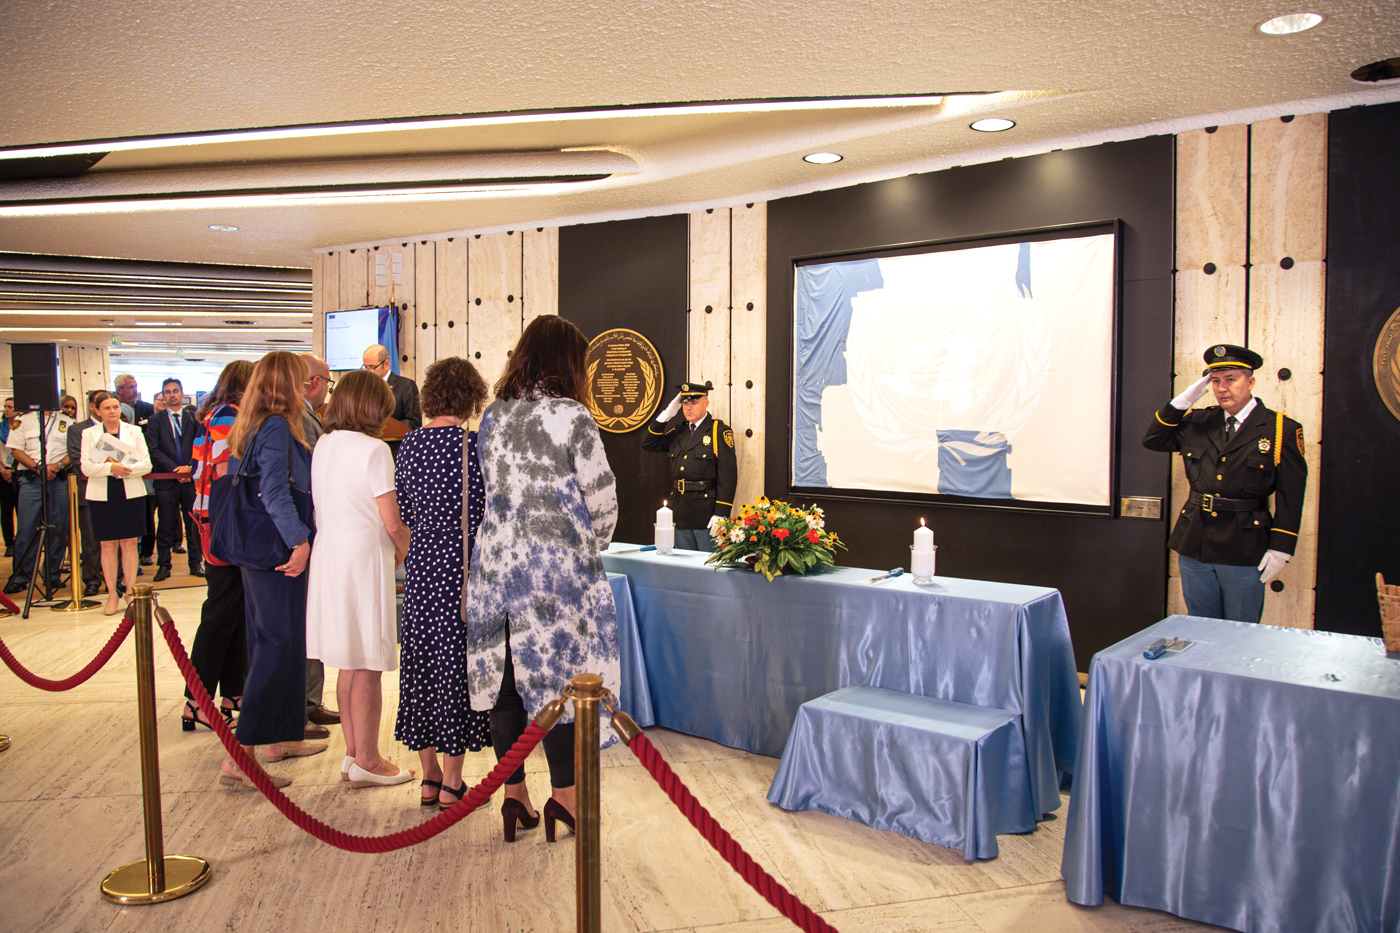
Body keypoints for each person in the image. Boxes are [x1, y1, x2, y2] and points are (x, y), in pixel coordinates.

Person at [466, 315, 619, 843]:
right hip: (554, 574)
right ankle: (566, 801)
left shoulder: (494, 416)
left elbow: (490, 491)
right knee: (561, 682)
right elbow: (601, 503)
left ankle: (515, 799)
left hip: (494, 567)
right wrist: (584, 545)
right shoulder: (572, 417)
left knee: (506, 683)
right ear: (566, 364)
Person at [1143, 344, 1308, 624]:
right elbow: (1153, 440)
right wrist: (1181, 403)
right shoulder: (1198, 421)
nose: (1222, 388)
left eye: (1231, 379)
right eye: (1216, 381)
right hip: (1196, 539)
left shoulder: (1280, 429)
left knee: (1240, 631)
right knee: (1200, 626)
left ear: (1250, 381)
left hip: (1244, 544)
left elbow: (1291, 494)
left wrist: (1281, 546)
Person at [220, 351, 325, 789]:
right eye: (303, 380)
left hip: (258, 550)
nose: (309, 387)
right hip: (277, 549)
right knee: (275, 644)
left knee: (281, 642)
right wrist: (299, 540)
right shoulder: (279, 425)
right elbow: (274, 492)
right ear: (288, 384)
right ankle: (239, 759)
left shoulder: (253, 422)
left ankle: (281, 735)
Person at [305, 370, 413, 788]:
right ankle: (369, 758)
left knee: (348, 662)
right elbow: (392, 522)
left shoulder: (325, 444)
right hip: (364, 559)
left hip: (331, 556)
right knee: (368, 662)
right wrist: (405, 547)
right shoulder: (373, 450)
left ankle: (353, 755)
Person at [394, 357, 491, 809]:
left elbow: (406, 516)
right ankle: (454, 780)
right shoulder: (474, 447)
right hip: (463, 570)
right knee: (455, 668)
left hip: (421, 568)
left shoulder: (409, 446)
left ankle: (429, 777)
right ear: (472, 396)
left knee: (421, 667)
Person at [183, 360, 253, 731]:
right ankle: (196, 699)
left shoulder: (214, 415)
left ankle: (234, 692)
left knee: (232, 609)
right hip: (223, 522)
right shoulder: (230, 417)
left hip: (213, 520)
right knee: (221, 610)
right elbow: (229, 473)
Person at [296, 352, 340, 736]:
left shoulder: (304, 417)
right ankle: (302, 707)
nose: (327, 389)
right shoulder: (297, 419)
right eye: (327, 382)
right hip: (302, 537)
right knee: (302, 623)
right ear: (313, 382)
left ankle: (308, 702)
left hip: (308, 535)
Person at [641, 380, 738, 552]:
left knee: (707, 568)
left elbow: (728, 475)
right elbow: (649, 444)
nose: (688, 407)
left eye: (694, 402)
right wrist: (666, 415)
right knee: (684, 569)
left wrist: (721, 513)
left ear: (706, 403)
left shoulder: (718, 431)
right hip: (680, 511)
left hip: (706, 515)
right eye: (684, 402)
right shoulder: (680, 431)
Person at [80, 392, 152, 616]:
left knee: (130, 542)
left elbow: (146, 464)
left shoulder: (134, 431)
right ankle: (112, 593)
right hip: (103, 492)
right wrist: (112, 468)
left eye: (115, 407)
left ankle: (131, 591)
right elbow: (87, 467)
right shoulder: (89, 433)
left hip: (129, 490)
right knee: (108, 544)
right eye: (107, 408)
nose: (113, 411)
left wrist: (124, 469)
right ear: (97, 411)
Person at [4, 403, 75, 595]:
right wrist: (38, 467)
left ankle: (52, 575)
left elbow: (72, 452)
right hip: (31, 480)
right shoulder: (23, 420)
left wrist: (58, 466)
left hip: (58, 479)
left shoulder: (67, 421)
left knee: (58, 527)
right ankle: (21, 576)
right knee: (27, 528)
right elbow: (16, 451)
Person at [144, 377, 204, 581]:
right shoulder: (154, 421)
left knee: (193, 524)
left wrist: (189, 467)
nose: (171, 395)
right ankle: (164, 565)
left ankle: (196, 563)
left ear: (181, 394)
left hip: (190, 480)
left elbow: (201, 445)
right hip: (166, 480)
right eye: (167, 392)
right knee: (165, 525)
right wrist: (174, 470)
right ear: (163, 395)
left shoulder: (194, 418)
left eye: (175, 391)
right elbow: (154, 450)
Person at [65, 390, 105, 597]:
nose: (110, 410)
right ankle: (91, 580)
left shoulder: (121, 429)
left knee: (113, 539)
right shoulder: (77, 429)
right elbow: (77, 459)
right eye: (104, 406)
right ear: (93, 407)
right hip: (87, 491)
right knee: (90, 541)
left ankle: (113, 578)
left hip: (115, 491)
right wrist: (107, 467)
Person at [114, 373, 157, 565]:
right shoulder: (113, 408)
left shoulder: (146, 409)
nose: (134, 390)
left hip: (141, 467)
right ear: (119, 390)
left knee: (146, 512)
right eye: (130, 387)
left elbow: (151, 436)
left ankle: (145, 552)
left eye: (135, 386)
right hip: (116, 473)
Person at [362, 344, 421, 437]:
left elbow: (414, 422)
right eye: (365, 367)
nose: (368, 371)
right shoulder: (363, 388)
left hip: (394, 447)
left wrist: (383, 427)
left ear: (386, 364)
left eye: (372, 367)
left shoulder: (406, 385)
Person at [2, 398, 19, 557]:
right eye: (5, 407)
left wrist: (14, 471)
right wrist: (4, 470)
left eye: (10, 407)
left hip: (19, 471)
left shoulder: (21, 428)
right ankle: (9, 543)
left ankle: (23, 541)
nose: (6, 410)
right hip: (3, 473)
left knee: (22, 509)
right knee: (6, 511)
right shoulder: (0, 429)